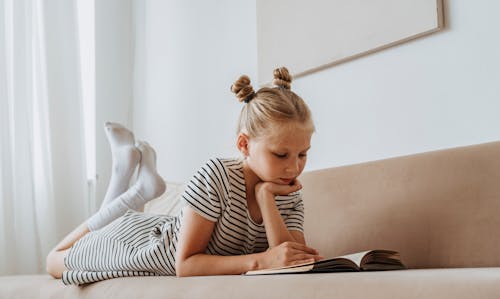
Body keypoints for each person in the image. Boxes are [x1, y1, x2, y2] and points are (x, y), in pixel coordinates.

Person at [46, 67, 323, 285]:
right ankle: (133, 188)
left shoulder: (285, 191)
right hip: (141, 246)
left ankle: (138, 185)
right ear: (244, 145)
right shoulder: (217, 175)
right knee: (53, 261)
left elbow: (291, 260)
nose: (294, 168)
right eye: (280, 155)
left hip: (164, 230)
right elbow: (186, 265)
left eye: (302, 154)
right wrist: (260, 261)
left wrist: (265, 198)